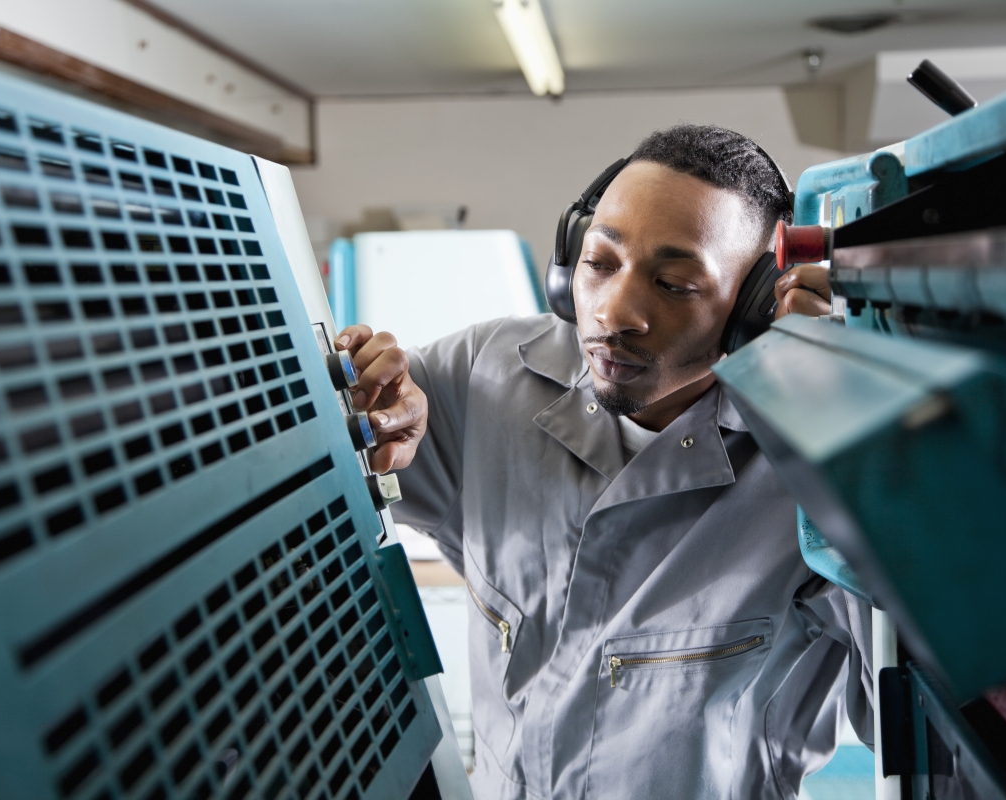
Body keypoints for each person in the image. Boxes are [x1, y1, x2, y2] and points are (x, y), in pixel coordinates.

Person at [338, 124, 872, 799]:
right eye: (600, 262)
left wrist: (856, 459)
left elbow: (924, 724)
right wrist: (361, 395)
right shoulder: (483, 377)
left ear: (755, 309)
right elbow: (310, 477)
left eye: (675, 284)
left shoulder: (817, 465)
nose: (614, 313)